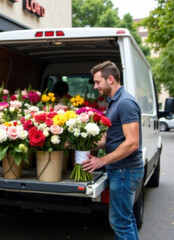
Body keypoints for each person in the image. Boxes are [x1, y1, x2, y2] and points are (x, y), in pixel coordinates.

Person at [81, 61, 144, 240]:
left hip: (126, 170)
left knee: (120, 222)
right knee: (125, 219)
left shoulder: (125, 103)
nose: (95, 87)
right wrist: (83, 145)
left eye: (97, 82)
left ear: (110, 79)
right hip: (122, 170)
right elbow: (111, 138)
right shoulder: (114, 102)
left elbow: (132, 143)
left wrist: (102, 160)